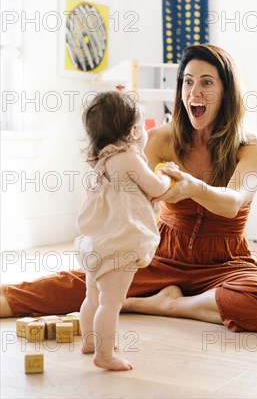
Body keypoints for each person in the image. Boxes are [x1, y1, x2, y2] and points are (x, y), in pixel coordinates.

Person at [1, 44, 257, 333]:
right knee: (76, 285)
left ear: (227, 93)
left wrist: (192, 187)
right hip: (161, 255)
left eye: (207, 82)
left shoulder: (254, 148)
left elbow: (233, 203)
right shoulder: (158, 140)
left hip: (224, 262)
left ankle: (161, 305)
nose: (195, 92)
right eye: (188, 82)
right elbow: (122, 184)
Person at [74, 91, 174, 371]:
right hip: (119, 246)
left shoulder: (98, 164)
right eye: (143, 129)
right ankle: (104, 355)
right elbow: (156, 188)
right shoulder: (129, 157)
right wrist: (166, 173)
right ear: (133, 132)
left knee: (92, 297)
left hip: (94, 245)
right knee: (111, 303)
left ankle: (91, 342)